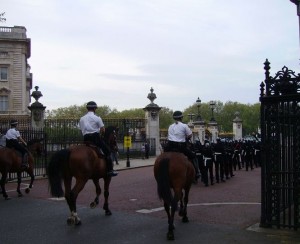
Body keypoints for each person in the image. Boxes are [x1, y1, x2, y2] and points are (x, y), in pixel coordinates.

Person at [79, 101, 118, 177]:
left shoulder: (82, 119)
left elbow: (81, 129)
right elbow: (103, 129)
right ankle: (110, 170)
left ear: (87, 108)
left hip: (86, 139)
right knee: (107, 151)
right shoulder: (97, 118)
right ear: (94, 109)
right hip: (95, 138)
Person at [165, 111, 198, 176]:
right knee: (193, 156)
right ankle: (197, 172)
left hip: (170, 146)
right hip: (180, 147)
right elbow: (190, 135)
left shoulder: (170, 126)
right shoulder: (184, 126)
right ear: (181, 118)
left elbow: (169, 136)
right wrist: (185, 137)